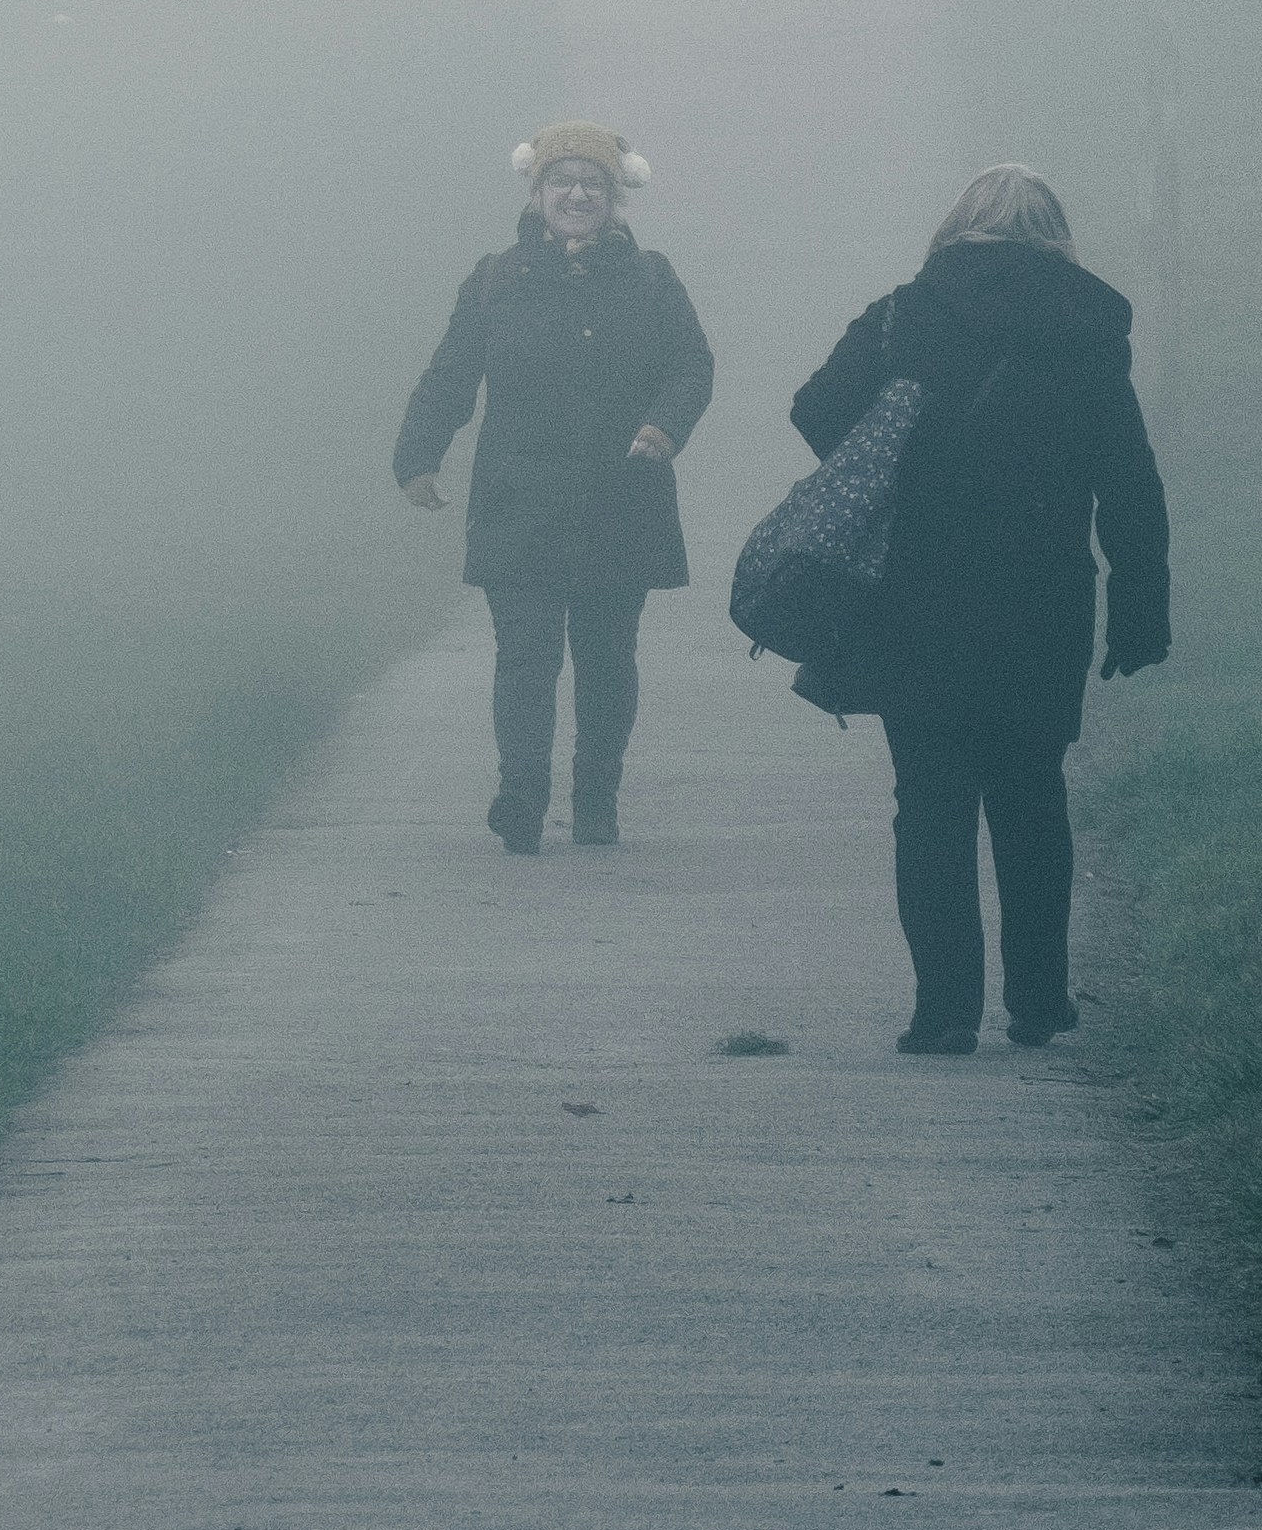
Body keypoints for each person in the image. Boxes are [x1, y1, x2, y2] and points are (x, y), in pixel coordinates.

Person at [783, 163, 1168, 1055]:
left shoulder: (902, 315)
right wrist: (1140, 604)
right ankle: (1038, 1002)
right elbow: (1130, 481)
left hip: (915, 596)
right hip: (1044, 600)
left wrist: (900, 429)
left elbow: (813, 411)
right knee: (1033, 799)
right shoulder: (1087, 331)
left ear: (956, 231)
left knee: (929, 806)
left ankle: (945, 1011)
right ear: (1057, 237)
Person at [395, 122, 714, 853]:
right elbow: (451, 374)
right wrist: (418, 456)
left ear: (613, 197)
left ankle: (597, 796)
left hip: (620, 496)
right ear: (537, 193)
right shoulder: (494, 280)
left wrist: (663, 427)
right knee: (525, 650)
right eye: (562, 182)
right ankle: (522, 793)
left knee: (606, 654)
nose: (577, 194)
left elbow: (691, 366)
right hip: (520, 498)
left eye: (592, 184)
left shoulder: (652, 279)